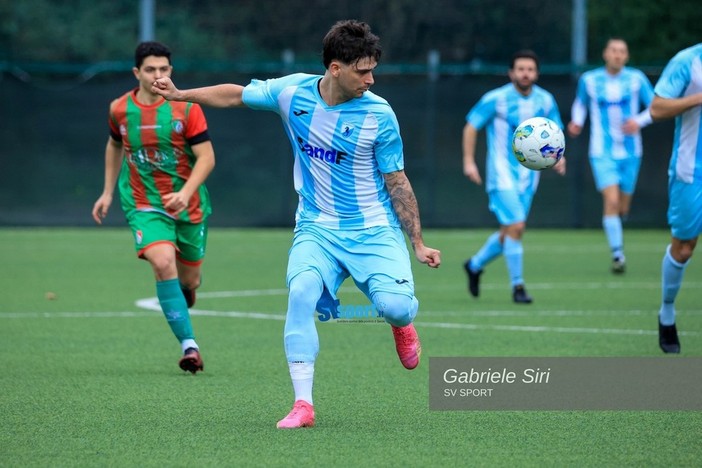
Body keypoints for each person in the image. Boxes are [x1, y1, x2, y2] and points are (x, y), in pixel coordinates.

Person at [151, 20, 441, 428]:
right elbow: (235, 95)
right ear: (335, 68)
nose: (370, 79)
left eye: (373, 69)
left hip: (373, 230)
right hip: (316, 227)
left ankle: (402, 323)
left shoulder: (380, 115)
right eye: (362, 70)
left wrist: (417, 244)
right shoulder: (292, 92)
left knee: (394, 307)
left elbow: (397, 181)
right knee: (301, 292)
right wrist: (181, 94)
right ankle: (303, 404)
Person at [92, 41, 215, 374]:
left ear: (171, 71)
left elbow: (207, 158)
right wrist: (106, 192)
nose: (158, 75)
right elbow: (114, 145)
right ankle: (190, 347)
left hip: (189, 206)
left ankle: (186, 290)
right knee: (162, 262)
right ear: (137, 73)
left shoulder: (187, 109)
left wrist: (186, 192)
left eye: (163, 69)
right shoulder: (119, 109)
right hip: (144, 203)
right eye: (150, 69)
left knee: (189, 281)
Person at [462, 50, 565, 304]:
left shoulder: (546, 100)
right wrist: (468, 162)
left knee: (510, 230)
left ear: (536, 73)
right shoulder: (495, 99)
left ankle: (474, 265)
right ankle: (518, 287)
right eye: (520, 69)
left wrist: (559, 158)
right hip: (501, 174)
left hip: (529, 178)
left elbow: (555, 133)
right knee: (517, 226)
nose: (525, 73)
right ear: (511, 73)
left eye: (530, 69)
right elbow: (471, 126)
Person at [567, 38, 655, 274]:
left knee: (623, 208)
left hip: (631, 152)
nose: (617, 55)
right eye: (613, 51)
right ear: (605, 54)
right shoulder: (589, 80)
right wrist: (577, 122)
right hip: (601, 152)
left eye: (622, 51)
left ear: (626, 56)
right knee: (612, 202)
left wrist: (639, 120)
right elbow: (580, 104)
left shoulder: (636, 79)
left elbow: (656, 106)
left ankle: (617, 228)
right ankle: (618, 254)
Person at [649, 43, 702, 354]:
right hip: (691, 171)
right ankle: (667, 312)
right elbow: (657, 109)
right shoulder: (688, 61)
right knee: (683, 248)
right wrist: (698, 98)